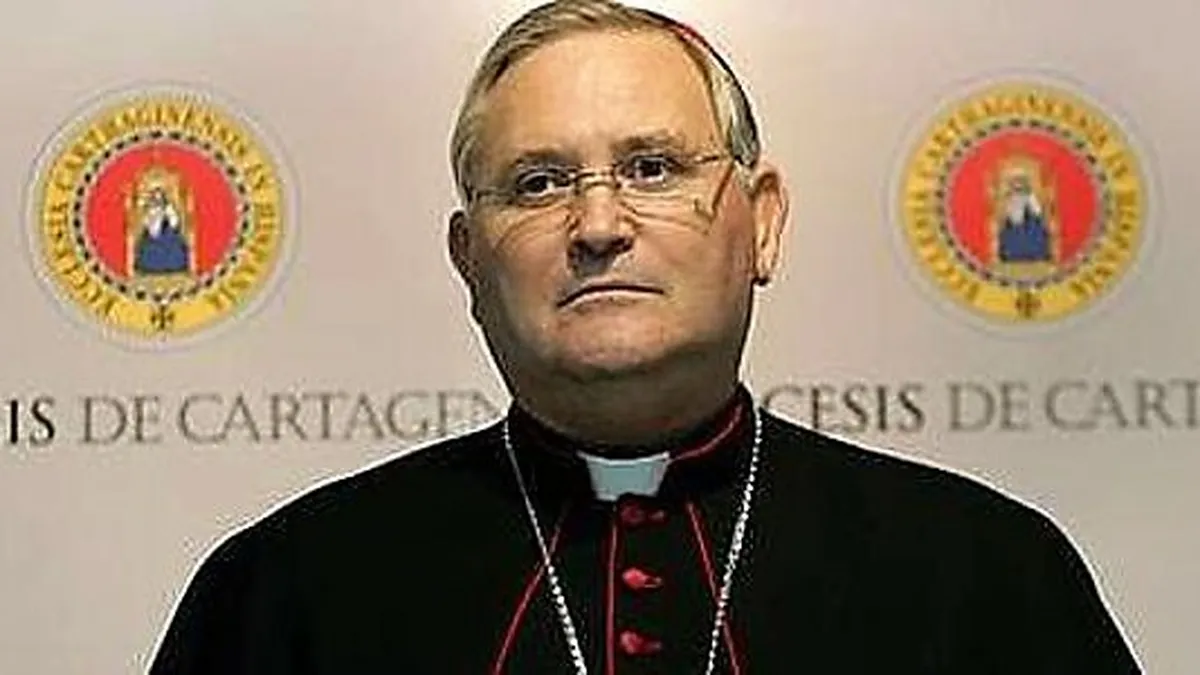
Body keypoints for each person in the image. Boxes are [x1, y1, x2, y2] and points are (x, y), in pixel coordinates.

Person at [149, 1, 1142, 672]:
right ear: (469, 260)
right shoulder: (284, 596)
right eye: (538, 183)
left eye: (653, 168)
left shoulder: (986, 575)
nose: (598, 224)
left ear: (762, 222)